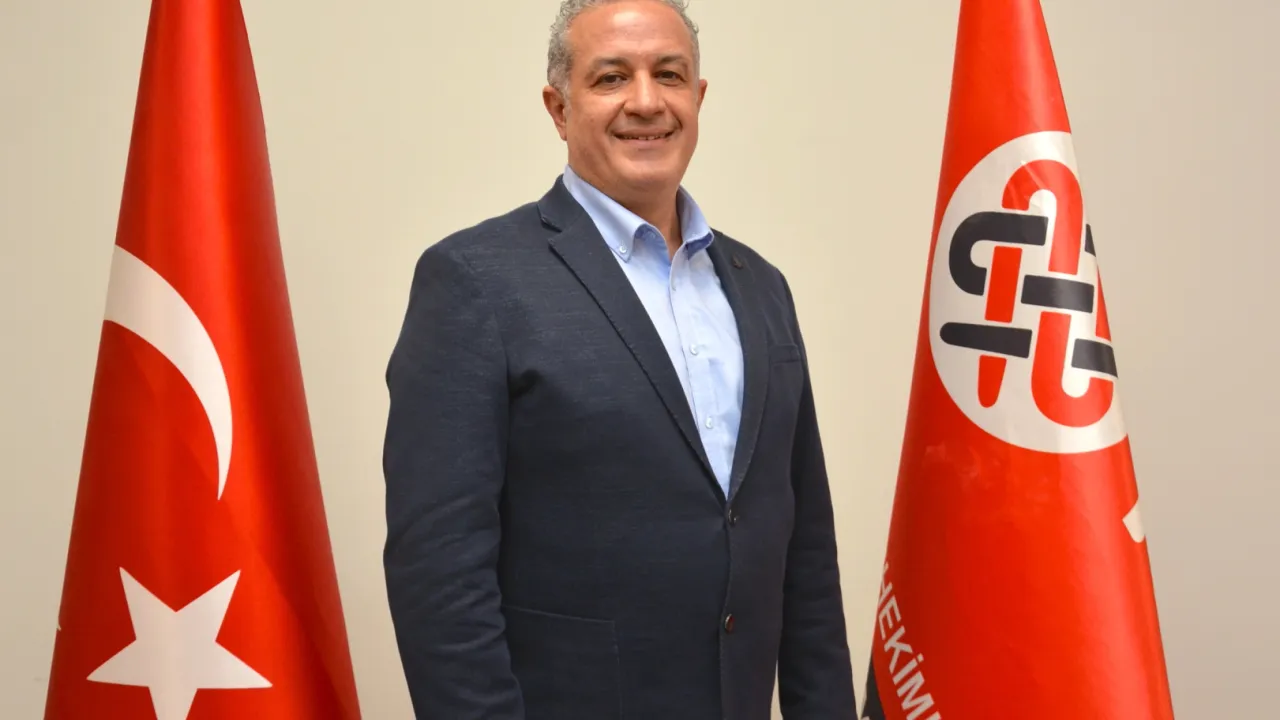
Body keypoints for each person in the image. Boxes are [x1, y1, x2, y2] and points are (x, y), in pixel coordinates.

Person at [381, 1, 857, 718]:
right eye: (611, 77)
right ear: (559, 108)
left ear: (698, 98)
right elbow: (440, 575)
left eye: (669, 74)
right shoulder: (476, 281)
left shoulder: (762, 288)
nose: (646, 101)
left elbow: (806, 554)